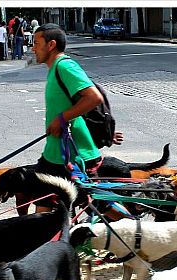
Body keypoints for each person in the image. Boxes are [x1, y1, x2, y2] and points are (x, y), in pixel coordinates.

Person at [31, 23, 124, 180]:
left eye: (36, 44)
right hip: (56, 152)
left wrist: (61, 119)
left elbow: (94, 98)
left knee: (96, 203)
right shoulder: (54, 69)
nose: (33, 49)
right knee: (42, 199)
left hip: (75, 156)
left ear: (51, 45)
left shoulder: (65, 66)